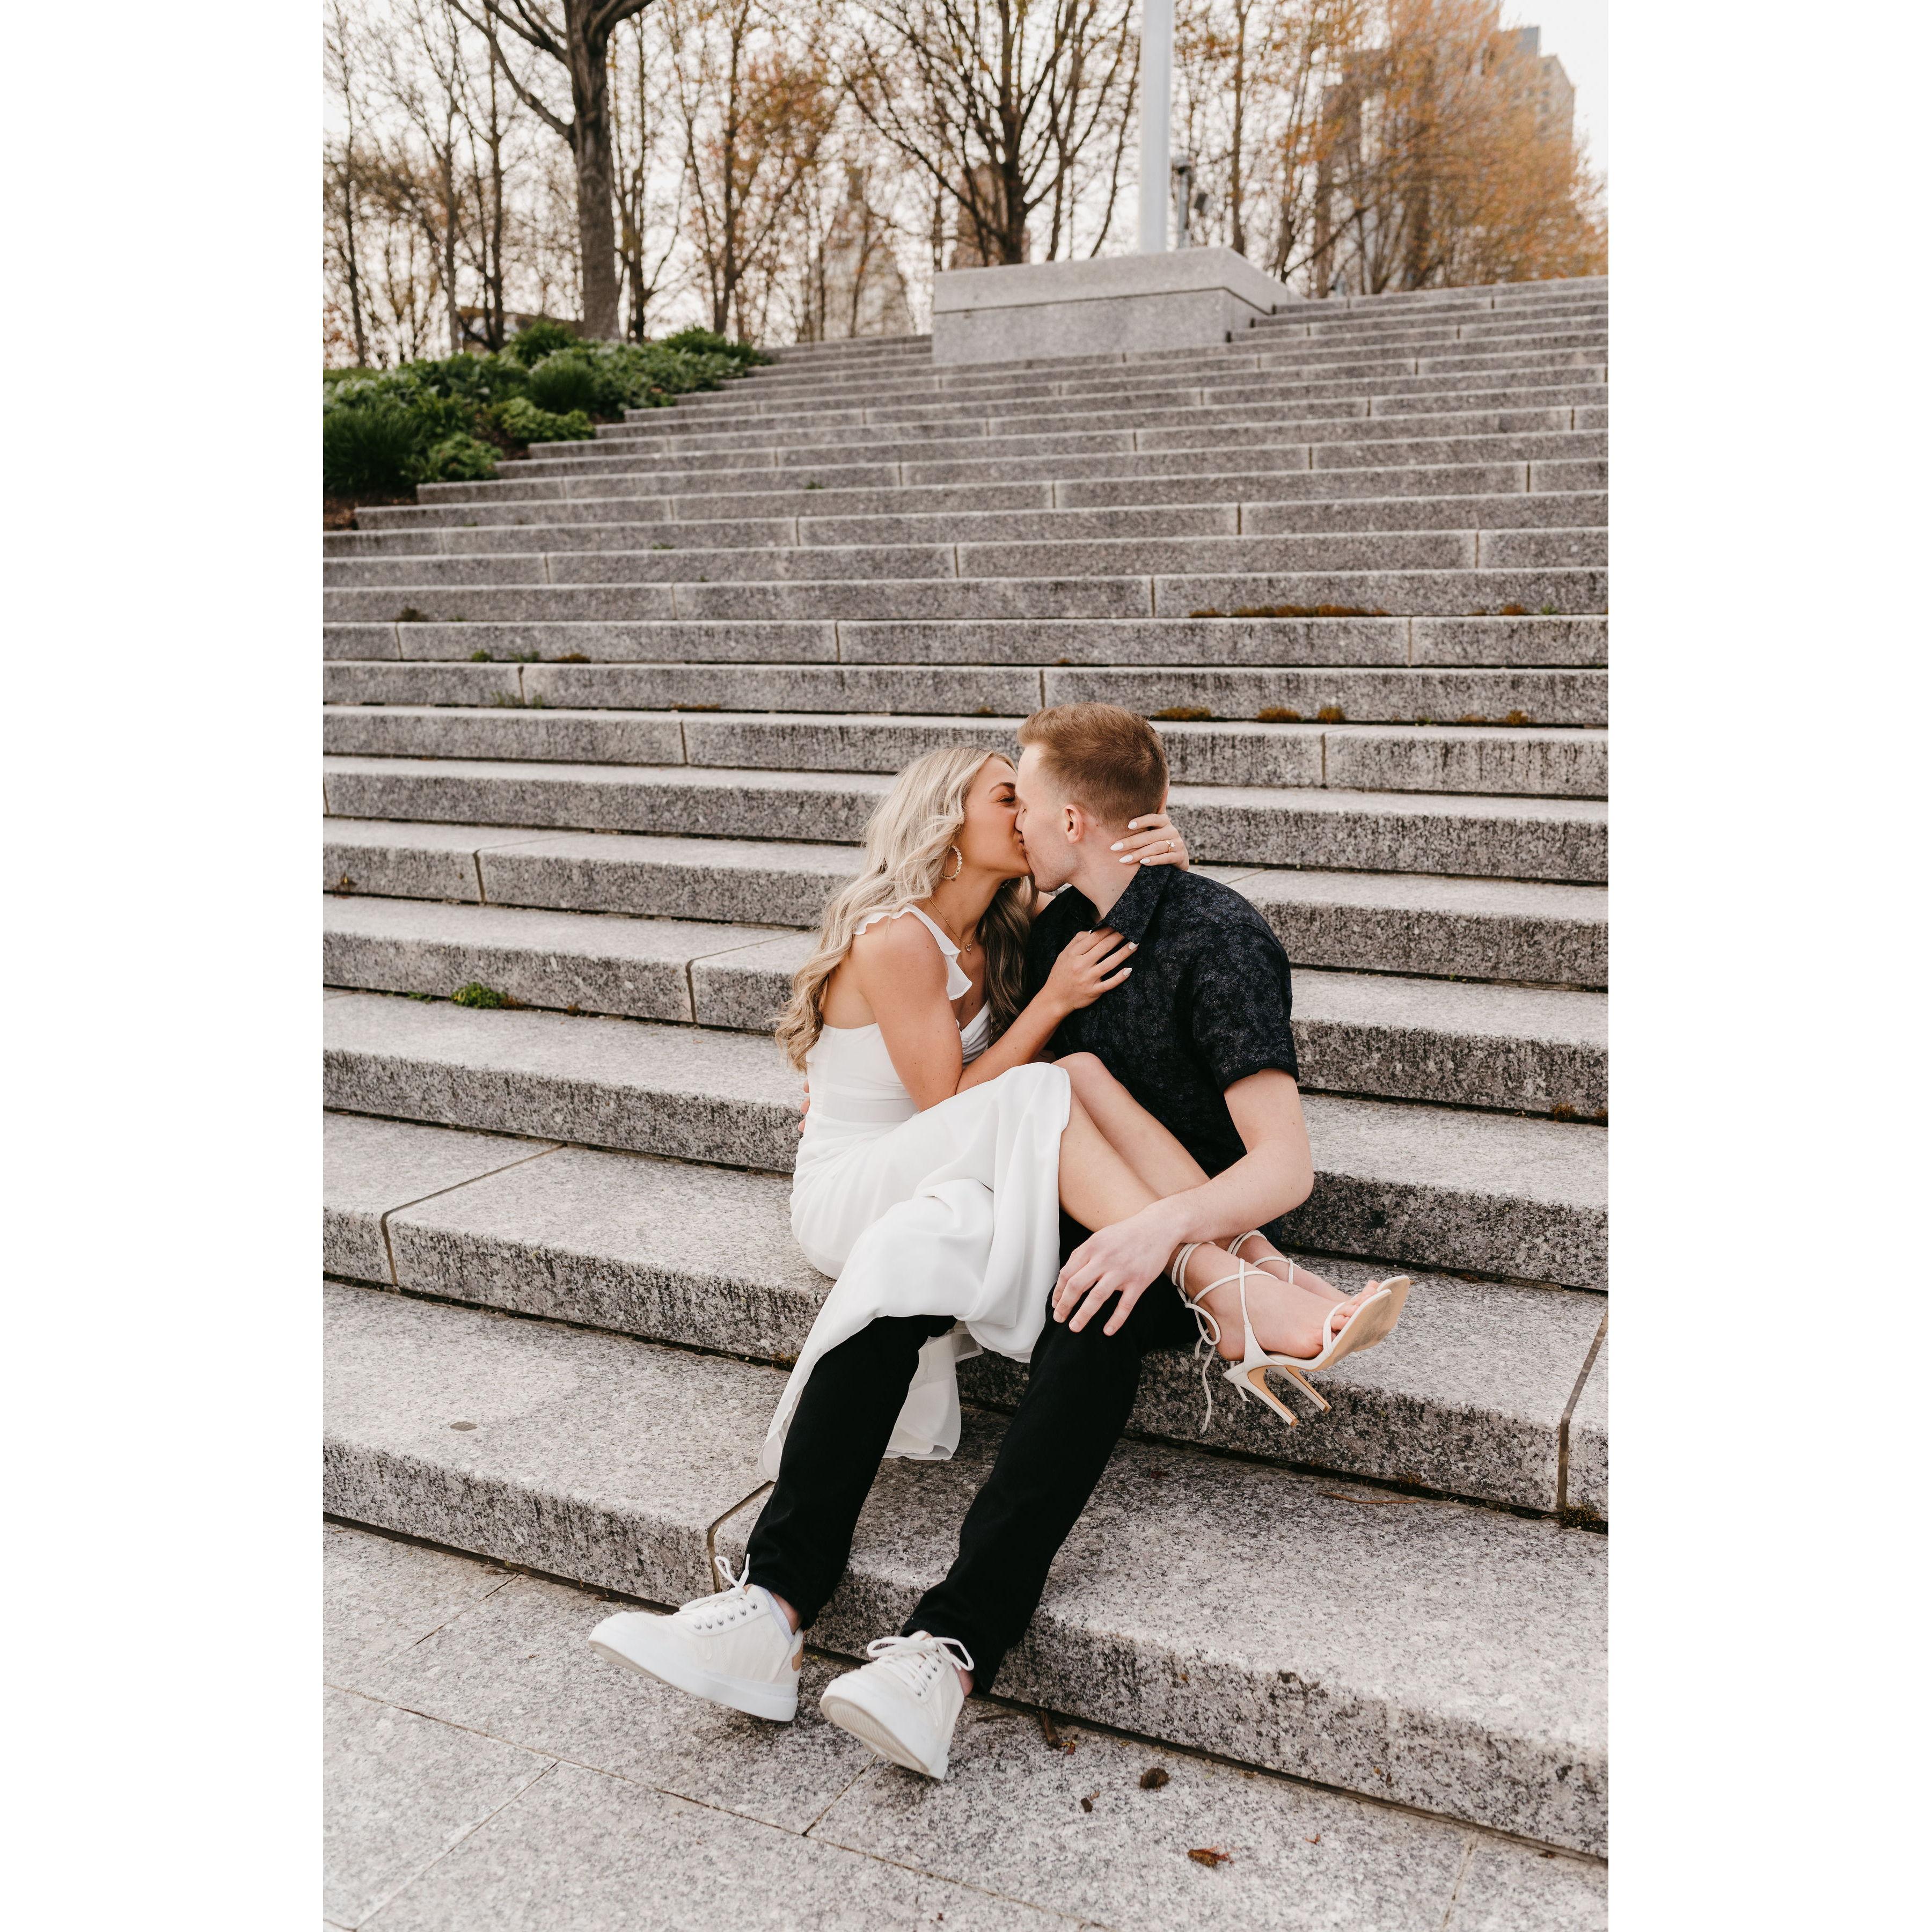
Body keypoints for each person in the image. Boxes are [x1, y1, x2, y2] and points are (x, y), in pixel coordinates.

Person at [589, 705, 1407, 1778]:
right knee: (916, 1243)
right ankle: (773, 1600)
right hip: (1036, 1186)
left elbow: (1279, 1157)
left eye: (1028, 797)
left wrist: (1169, 867)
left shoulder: (1209, 932)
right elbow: (952, 1075)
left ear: (1071, 817)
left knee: (1092, 1290)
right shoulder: (1047, 927)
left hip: (1164, 1209)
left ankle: (951, 1647)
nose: (1019, 818)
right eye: (1001, 798)